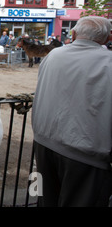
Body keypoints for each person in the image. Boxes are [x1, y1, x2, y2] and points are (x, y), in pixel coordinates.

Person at [32, 16, 112, 207]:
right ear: (108, 38)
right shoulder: (108, 62)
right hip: (85, 154)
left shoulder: (54, 55)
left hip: (44, 146)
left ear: (73, 34)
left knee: (44, 200)